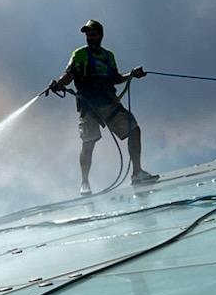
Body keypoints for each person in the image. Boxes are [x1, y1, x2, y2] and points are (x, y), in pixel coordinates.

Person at [49, 19, 159, 195]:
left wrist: (132, 74)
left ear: (100, 34)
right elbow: (69, 75)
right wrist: (59, 84)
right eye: (87, 34)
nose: (89, 37)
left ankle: (137, 173)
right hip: (88, 105)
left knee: (134, 129)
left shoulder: (108, 56)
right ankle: (84, 183)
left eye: (92, 33)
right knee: (88, 142)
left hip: (109, 102)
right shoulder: (79, 54)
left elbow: (115, 78)